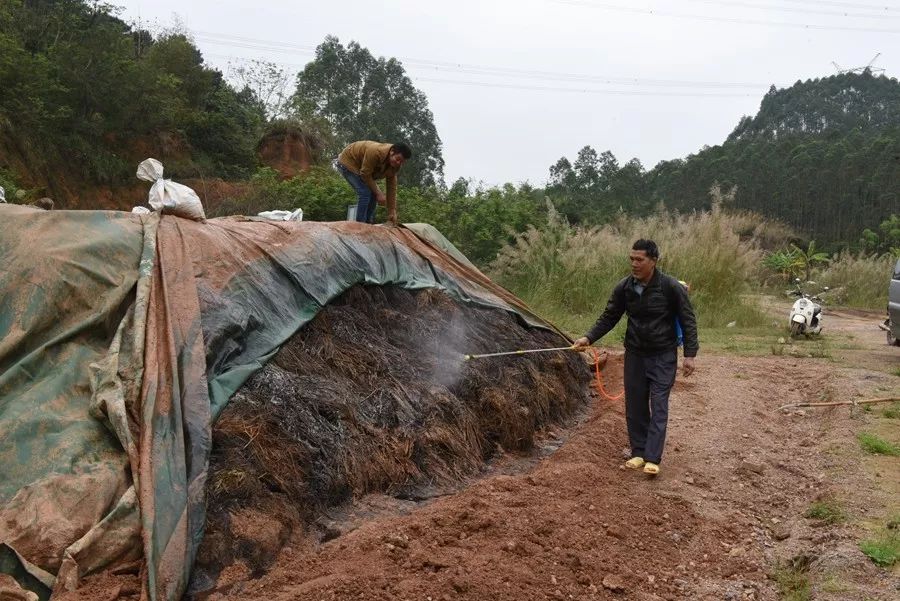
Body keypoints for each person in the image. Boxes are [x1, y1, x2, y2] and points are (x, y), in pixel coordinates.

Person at [572, 239, 698, 477]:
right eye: (632, 259)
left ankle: (653, 457)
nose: (634, 264)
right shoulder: (625, 287)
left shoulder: (671, 287)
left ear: (653, 261)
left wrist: (690, 355)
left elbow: (688, 320)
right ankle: (638, 451)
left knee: (659, 405)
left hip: (663, 355)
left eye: (639, 260)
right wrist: (588, 338)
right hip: (635, 354)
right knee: (635, 404)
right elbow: (609, 316)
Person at [334, 141, 411, 226]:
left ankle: (368, 223)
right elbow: (365, 174)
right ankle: (360, 225)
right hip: (348, 161)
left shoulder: (396, 166)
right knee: (365, 192)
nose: (398, 163)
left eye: (402, 162)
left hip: (362, 169)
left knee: (374, 194)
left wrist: (392, 211)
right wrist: (379, 193)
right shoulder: (375, 152)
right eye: (398, 159)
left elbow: (391, 188)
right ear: (392, 151)